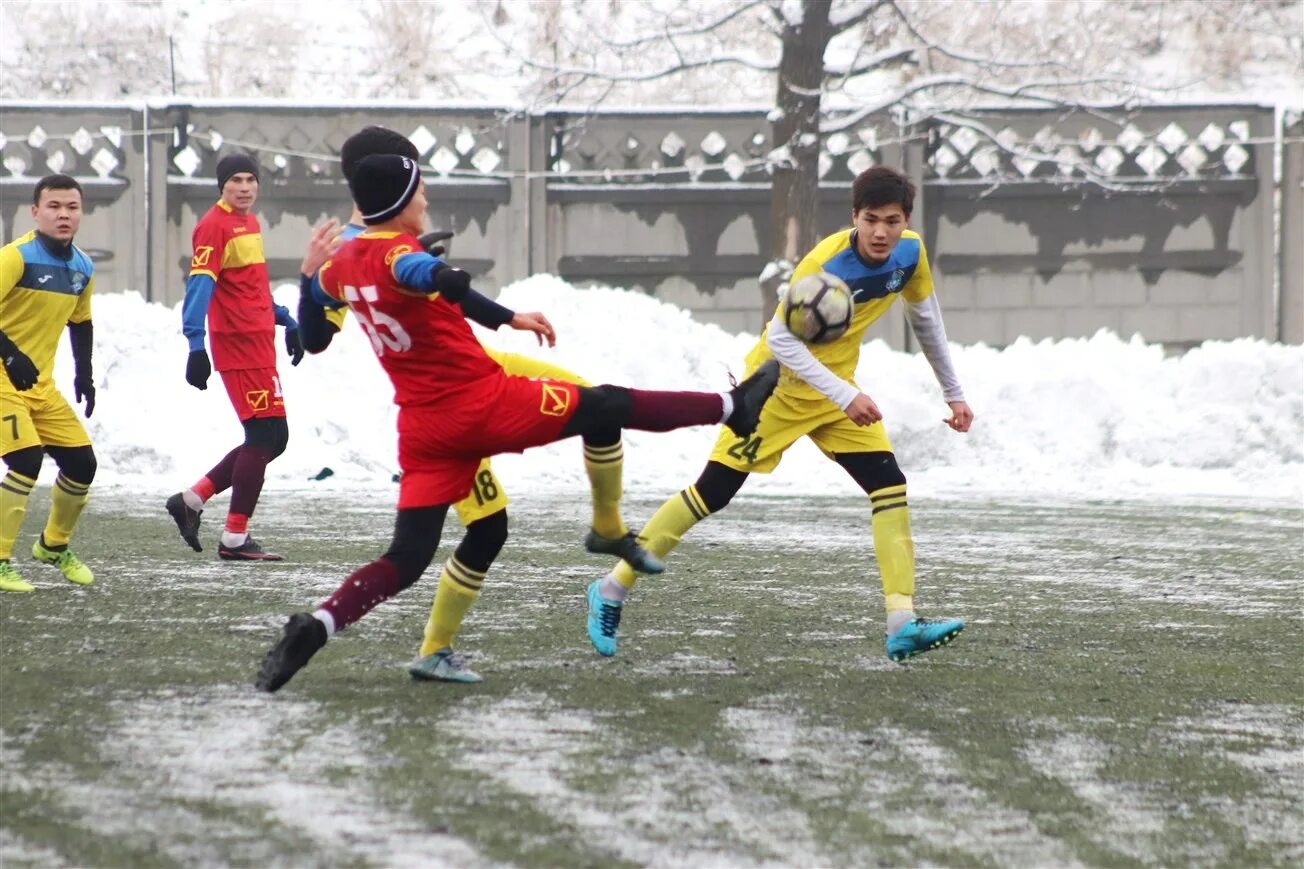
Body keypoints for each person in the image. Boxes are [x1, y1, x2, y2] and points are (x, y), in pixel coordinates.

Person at [255, 153, 779, 692]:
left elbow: (318, 313)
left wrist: (305, 276)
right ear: (397, 201)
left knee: (406, 557)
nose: (426, 199)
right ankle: (731, 409)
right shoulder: (397, 256)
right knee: (607, 404)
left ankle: (317, 625)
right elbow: (423, 274)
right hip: (481, 405)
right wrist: (471, 292)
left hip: (423, 430)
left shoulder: (342, 263)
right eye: (420, 192)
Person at [296, 126, 662, 684]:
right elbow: (316, 337)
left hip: (480, 372)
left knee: (598, 404)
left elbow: (431, 291)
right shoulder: (349, 252)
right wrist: (311, 279)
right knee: (487, 529)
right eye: (413, 174)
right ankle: (433, 649)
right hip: (447, 406)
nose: (422, 191)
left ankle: (607, 527)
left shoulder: (372, 237)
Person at [584, 166, 975, 663]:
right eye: (871, 219)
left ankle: (901, 621)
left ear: (906, 221)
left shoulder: (910, 254)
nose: (881, 232)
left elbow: (925, 319)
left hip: (835, 395)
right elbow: (780, 339)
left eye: (893, 220)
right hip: (776, 391)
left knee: (889, 486)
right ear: (854, 217)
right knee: (711, 494)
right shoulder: (824, 264)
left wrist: (954, 392)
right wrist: (843, 394)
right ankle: (611, 588)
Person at [165, 152, 304, 561]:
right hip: (239, 346)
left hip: (259, 342)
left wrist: (284, 318)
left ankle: (192, 500)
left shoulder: (249, 222)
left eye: (250, 179)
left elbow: (249, 286)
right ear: (221, 185)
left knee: (274, 439)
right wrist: (195, 344)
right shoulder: (213, 226)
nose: (244, 187)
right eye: (236, 180)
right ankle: (234, 538)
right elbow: (200, 288)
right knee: (264, 437)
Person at [0, 174, 98, 592]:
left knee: (82, 464)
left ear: (80, 212)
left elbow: (81, 322)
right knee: (25, 460)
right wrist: (9, 353)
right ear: (35, 211)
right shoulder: (15, 257)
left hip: (39, 385)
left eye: (71, 207)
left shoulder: (82, 267)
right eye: (54, 206)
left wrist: (85, 374)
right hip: (2, 378)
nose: (63, 214)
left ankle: (53, 546)